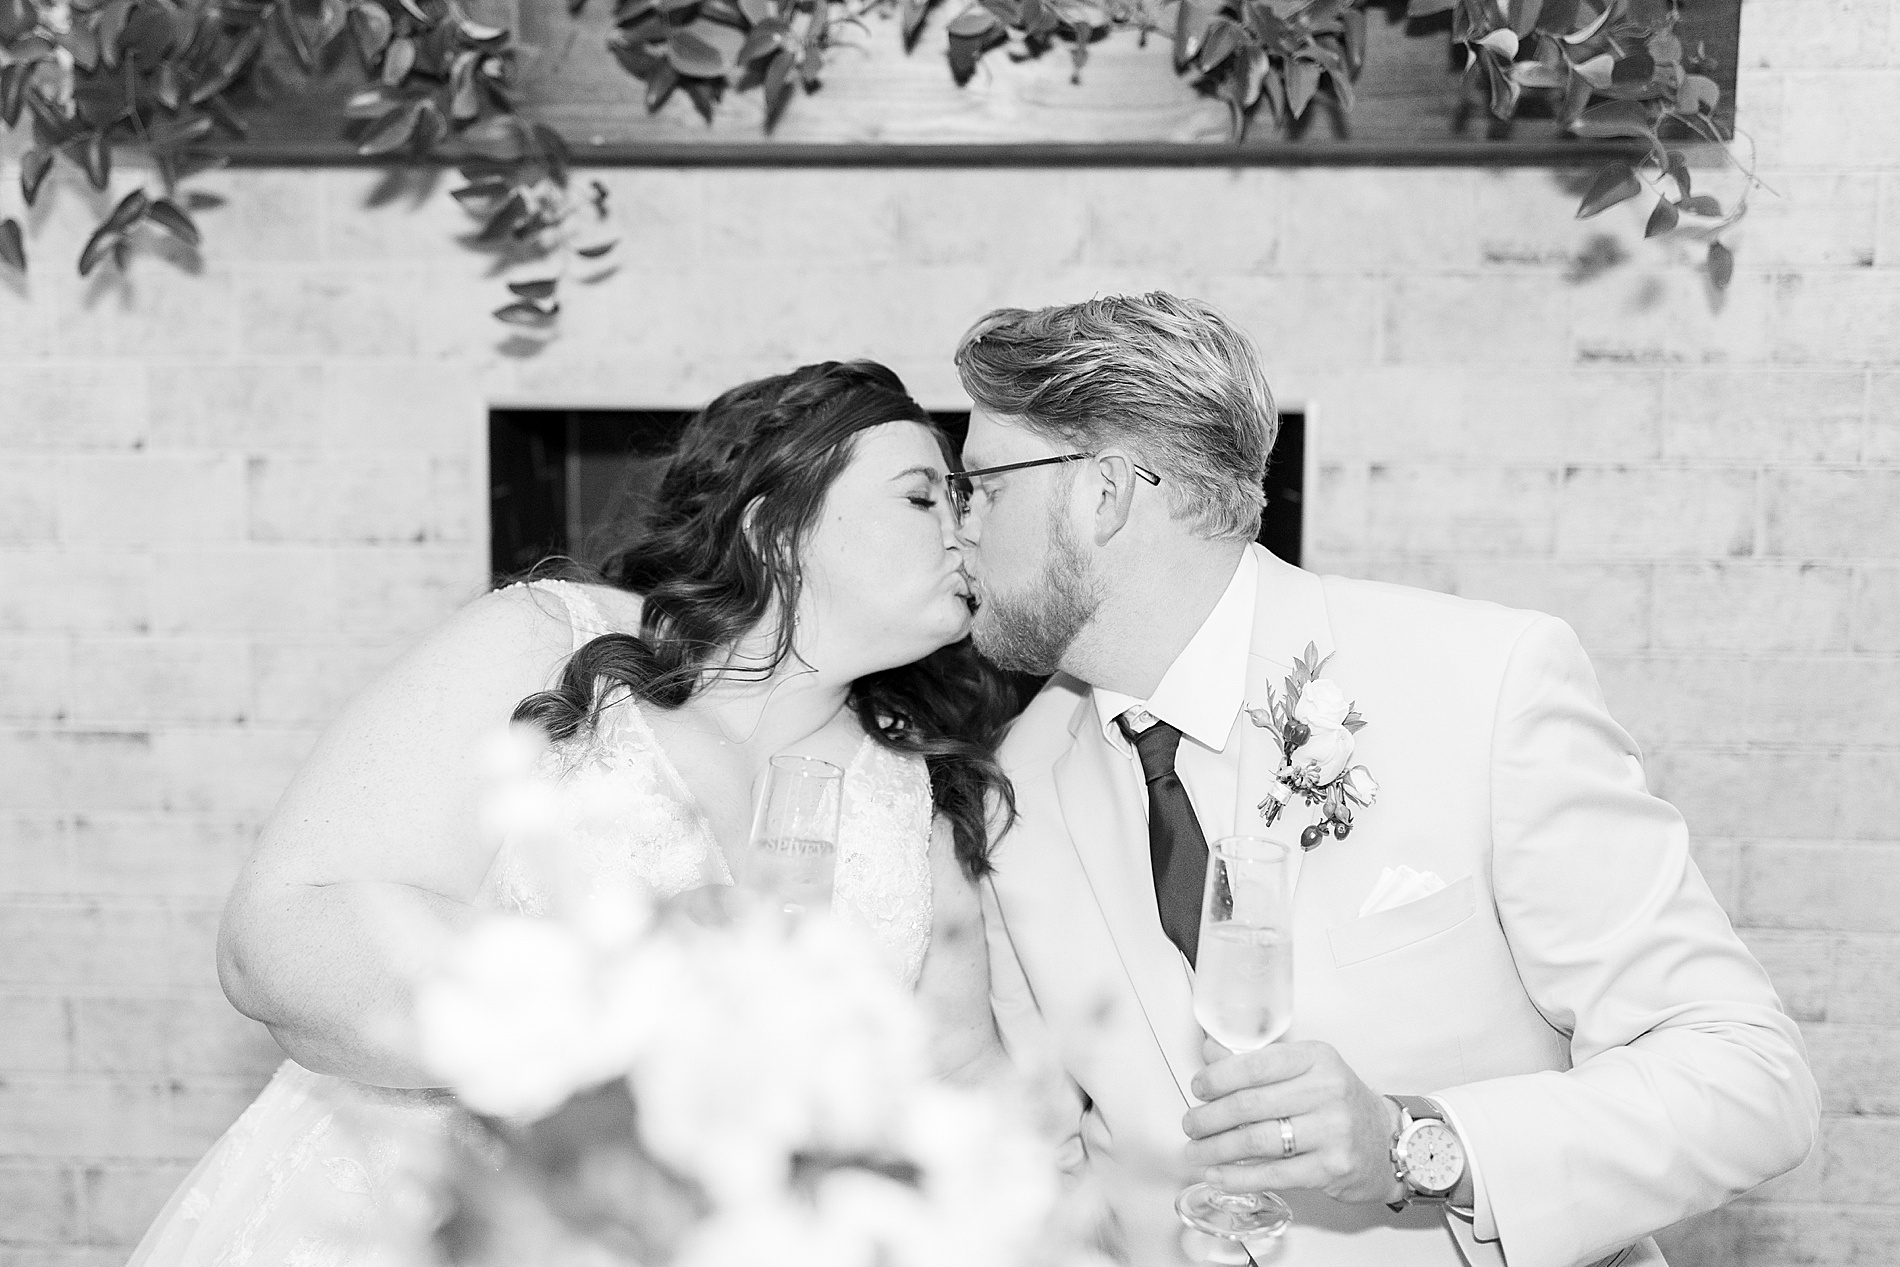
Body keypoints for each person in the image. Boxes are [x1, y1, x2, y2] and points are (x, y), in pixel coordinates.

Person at [955, 293, 1821, 1267]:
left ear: (1102, 492)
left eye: (983, 485)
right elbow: (1056, 1163)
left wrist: (1418, 1144)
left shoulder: (1483, 681)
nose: (960, 530)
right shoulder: (1014, 790)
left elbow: (1751, 1082)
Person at [127, 360, 1020, 1267]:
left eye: (966, 500)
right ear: (777, 526)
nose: (967, 530)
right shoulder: (546, 642)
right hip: (427, 1218)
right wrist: (618, 1013)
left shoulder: (921, 787)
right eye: (924, 498)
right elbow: (276, 936)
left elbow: (961, 1090)